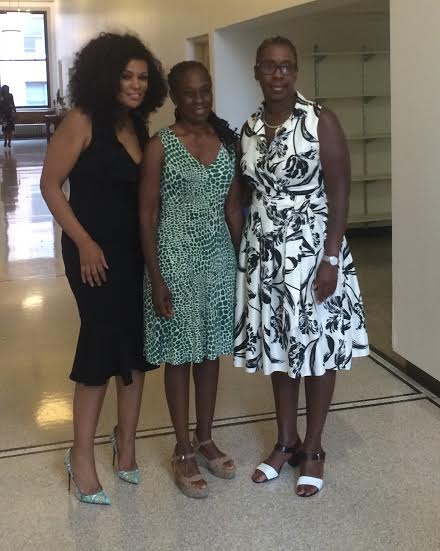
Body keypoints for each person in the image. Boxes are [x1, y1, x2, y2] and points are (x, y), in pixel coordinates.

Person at [234, 36, 369, 497]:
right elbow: (245, 193)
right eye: (270, 66)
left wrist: (330, 257)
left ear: (296, 72)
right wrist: (248, 251)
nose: (278, 74)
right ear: (256, 70)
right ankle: (285, 441)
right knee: (279, 350)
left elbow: (340, 193)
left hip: (313, 254)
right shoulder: (249, 128)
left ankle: (313, 447)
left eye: (286, 66)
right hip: (267, 257)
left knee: (316, 351)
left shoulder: (319, 121)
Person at [40, 32, 167, 505]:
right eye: (125, 76)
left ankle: (126, 444)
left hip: (133, 252)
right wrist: (85, 241)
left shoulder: (138, 125)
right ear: (103, 76)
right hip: (91, 251)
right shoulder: (82, 120)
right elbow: (50, 186)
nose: (135, 85)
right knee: (99, 344)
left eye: (142, 77)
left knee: (135, 347)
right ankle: (82, 456)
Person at [140, 61, 244, 498]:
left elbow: (233, 209)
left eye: (205, 91)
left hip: (218, 261)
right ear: (175, 97)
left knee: (209, 353)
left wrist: (243, 266)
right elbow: (145, 213)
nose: (199, 100)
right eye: (190, 93)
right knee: (179, 356)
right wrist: (156, 276)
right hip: (175, 261)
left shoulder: (226, 143)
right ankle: (181, 447)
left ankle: (205, 436)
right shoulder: (161, 145)